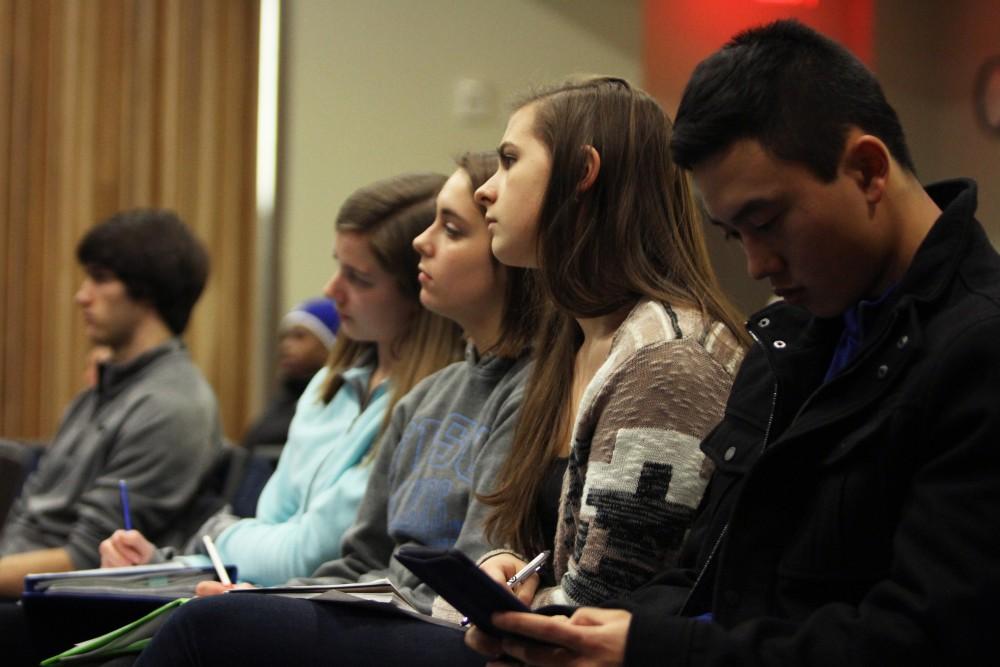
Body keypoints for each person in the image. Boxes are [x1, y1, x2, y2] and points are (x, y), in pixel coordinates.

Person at [137, 76, 748, 665]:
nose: (489, 191)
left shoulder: (665, 361)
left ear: (582, 174)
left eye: (509, 161)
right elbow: (532, 548)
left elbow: (609, 604)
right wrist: (507, 563)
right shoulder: (572, 344)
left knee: (209, 631)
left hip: (542, 652)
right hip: (508, 639)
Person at [465, 19, 1000, 666]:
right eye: (732, 234)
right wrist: (564, 631)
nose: (755, 265)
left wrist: (655, 648)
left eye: (766, 221)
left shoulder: (977, 347)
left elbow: (926, 639)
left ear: (866, 170)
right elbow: (703, 577)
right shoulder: (787, 344)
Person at [131, 152, 544, 666]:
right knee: (187, 618)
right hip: (384, 613)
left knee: (205, 629)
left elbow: (472, 583)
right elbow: (361, 562)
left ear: (509, 260)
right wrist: (261, 596)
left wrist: (261, 597)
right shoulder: (427, 396)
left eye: (452, 229)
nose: (423, 241)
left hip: (445, 633)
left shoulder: (533, 390)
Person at [98, 174, 464, 588]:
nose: (331, 290)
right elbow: (273, 529)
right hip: (264, 595)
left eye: (358, 279)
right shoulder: (329, 384)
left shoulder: (430, 404)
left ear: (417, 292)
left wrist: (216, 534)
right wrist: (161, 565)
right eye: (337, 268)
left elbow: (303, 556)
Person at [0, 209, 221, 598]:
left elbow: (87, 560)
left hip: (51, 617)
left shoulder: (171, 406)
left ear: (147, 291)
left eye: (100, 279)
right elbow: (29, 517)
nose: (82, 295)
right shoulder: (98, 395)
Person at [241, 296, 340, 452]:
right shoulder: (284, 398)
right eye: (284, 337)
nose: (286, 345)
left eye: (299, 336)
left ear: (331, 346)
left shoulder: (335, 404)